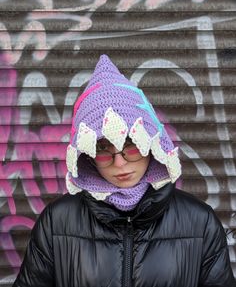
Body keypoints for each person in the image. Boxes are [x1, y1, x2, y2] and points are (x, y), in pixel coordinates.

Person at [13, 55, 236, 287]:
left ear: (150, 143)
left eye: (131, 145)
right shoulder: (57, 222)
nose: (119, 164)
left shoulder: (199, 222)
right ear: (86, 155)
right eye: (102, 149)